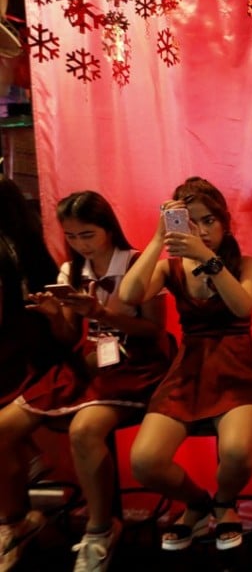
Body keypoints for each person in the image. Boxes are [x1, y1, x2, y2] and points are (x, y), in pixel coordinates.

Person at [0, 190, 170, 572]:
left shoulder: (138, 262)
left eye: (88, 235)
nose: (80, 245)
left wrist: (102, 313)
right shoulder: (71, 270)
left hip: (135, 363)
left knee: (84, 430)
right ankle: (14, 522)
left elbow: (154, 329)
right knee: (3, 427)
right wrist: (54, 316)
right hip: (90, 362)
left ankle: (99, 530)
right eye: (72, 237)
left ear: (109, 229)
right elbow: (66, 337)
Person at [120, 176, 252, 553]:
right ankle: (197, 502)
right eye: (191, 222)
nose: (202, 230)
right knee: (145, 461)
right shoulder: (169, 268)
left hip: (238, 370)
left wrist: (208, 259)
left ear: (224, 222)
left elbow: (242, 305)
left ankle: (224, 503)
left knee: (238, 450)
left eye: (209, 220)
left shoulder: (246, 264)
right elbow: (128, 295)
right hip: (188, 372)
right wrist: (160, 239)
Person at [0, 177, 61, 571]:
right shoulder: (30, 245)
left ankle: (13, 523)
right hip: (35, 349)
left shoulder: (6, 250)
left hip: (17, 354)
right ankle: (18, 516)